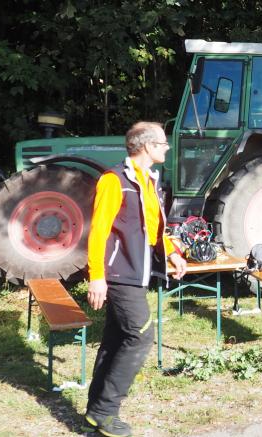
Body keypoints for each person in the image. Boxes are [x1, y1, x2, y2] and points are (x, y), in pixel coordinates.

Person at [83, 122, 187, 436]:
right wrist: (96, 277)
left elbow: (153, 227)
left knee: (115, 340)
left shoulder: (148, 180)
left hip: (135, 273)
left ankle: (95, 411)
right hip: (118, 274)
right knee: (141, 335)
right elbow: (98, 232)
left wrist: (171, 253)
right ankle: (106, 412)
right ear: (147, 146)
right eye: (163, 143)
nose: (167, 148)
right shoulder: (114, 180)